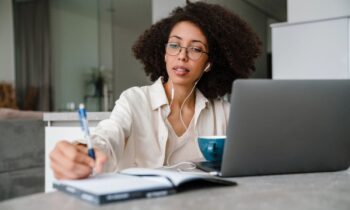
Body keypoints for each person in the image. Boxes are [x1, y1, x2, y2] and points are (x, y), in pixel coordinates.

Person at [50, 1, 261, 180]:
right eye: (174, 45)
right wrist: (82, 150)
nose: (182, 56)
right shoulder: (134, 100)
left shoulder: (223, 112)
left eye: (195, 49)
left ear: (209, 64)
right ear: (164, 54)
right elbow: (108, 135)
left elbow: (248, 159)